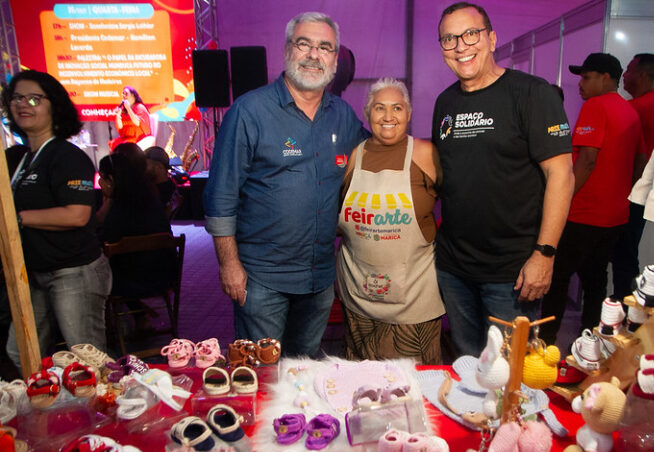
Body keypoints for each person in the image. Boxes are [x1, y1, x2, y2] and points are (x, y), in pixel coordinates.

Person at [203, 12, 368, 358]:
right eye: (304, 44)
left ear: (335, 60)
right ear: (287, 50)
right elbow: (220, 198)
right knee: (262, 376)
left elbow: (379, 152)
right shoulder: (249, 112)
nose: (313, 54)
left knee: (303, 371)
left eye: (325, 47)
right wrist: (229, 265)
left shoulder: (343, 115)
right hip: (262, 279)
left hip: (319, 279)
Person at [432, 2, 574, 357]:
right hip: (455, 268)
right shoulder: (444, 103)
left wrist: (545, 254)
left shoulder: (532, 93)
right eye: (449, 39)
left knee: (509, 377)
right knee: (465, 363)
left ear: (491, 39)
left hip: (512, 273)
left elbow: (561, 174)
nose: (460, 46)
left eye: (470, 34)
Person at [1, 70, 112, 369]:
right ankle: (41, 412)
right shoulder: (17, 158)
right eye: (17, 98)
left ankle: (104, 413)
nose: (24, 104)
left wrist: (17, 219)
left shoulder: (67, 156)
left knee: (87, 360)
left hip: (73, 272)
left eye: (34, 98)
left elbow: (77, 215)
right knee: (20, 355)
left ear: (54, 106)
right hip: (33, 272)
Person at [539, 53, 645, 344]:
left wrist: (563, 198)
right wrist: (621, 190)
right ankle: (589, 341)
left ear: (605, 78)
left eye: (586, 78)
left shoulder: (595, 106)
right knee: (595, 280)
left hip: (582, 213)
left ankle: (545, 344)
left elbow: (586, 159)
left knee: (557, 279)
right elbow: (641, 159)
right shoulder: (630, 111)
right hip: (614, 216)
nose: (581, 85)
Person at [337, 78, 444, 364]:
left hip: (414, 300)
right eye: (379, 108)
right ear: (366, 112)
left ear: (409, 114)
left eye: (397, 108)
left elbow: (462, 205)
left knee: (414, 387)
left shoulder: (427, 153)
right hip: (359, 298)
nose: (388, 117)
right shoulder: (353, 156)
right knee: (363, 386)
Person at [611, 53, 654, 301]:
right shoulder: (648, 102)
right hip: (633, 193)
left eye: (629, 70)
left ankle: (625, 309)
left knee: (625, 254)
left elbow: (613, 114)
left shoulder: (642, 106)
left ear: (642, 75)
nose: (624, 75)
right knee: (624, 254)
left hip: (635, 195)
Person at [98, 150, 175, 299]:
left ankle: (130, 316)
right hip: (165, 276)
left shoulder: (120, 208)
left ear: (112, 179)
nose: (100, 183)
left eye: (102, 178)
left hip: (131, 281)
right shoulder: (150, 197)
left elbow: (104, 242)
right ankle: (140, 316)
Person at [108, 86, 151, 151]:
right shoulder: (123, 109)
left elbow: (137, 122)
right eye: (123, 94)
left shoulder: (140, 107)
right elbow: (119, 127)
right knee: (113, 145)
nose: (124, 96)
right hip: (126, 138)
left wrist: (128, 108)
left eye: (126, 93)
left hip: (137, 139)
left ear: (133, 95)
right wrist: (118, 115)